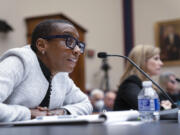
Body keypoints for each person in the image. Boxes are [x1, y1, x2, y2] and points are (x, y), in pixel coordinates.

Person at [0, 19, 92, 122]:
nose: (78, 50)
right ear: (41, 45)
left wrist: (60, 112)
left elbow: (86, 104)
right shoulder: (18, 62)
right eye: (69, 41)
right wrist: (28, 114)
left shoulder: (61, 74)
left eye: (78, 44)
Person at [114, 44, 163, 111]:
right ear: (142, 61)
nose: (161, 63)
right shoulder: (130, 83)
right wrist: (164, 107)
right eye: (156, 59)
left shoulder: (147, 84)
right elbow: (146, 108)